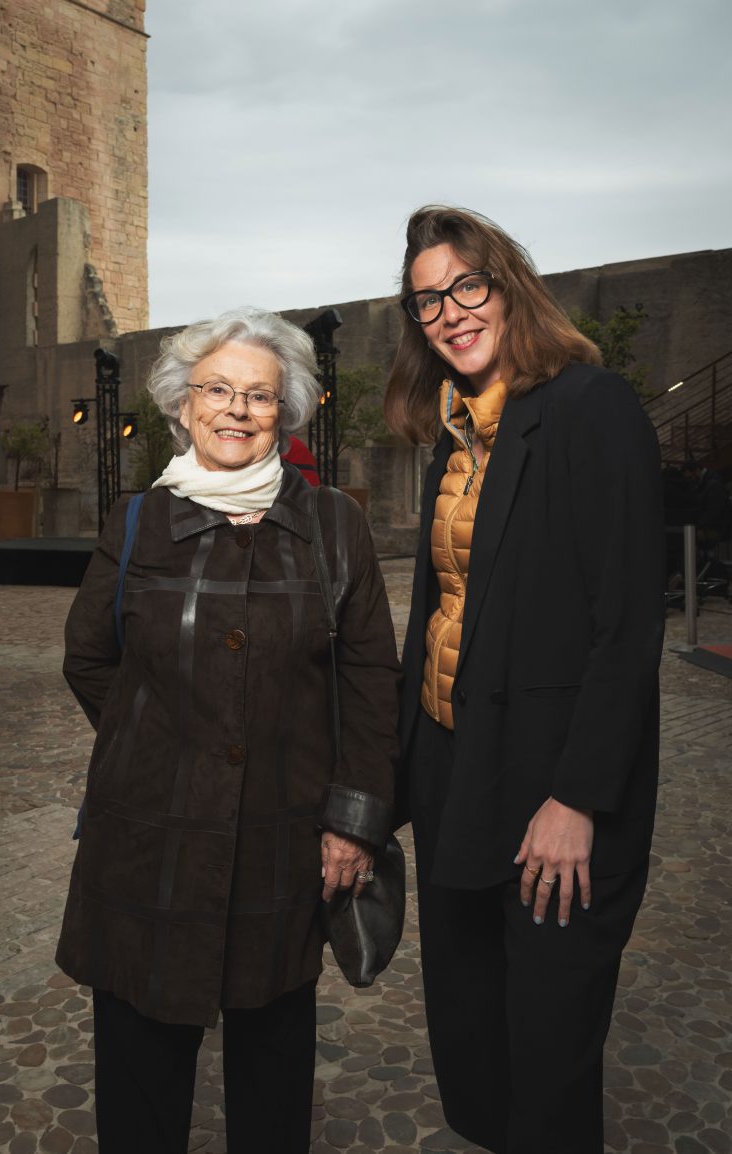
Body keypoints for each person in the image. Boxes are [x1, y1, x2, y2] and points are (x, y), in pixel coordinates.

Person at [56, 308, 400, 1154]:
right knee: (141, 1073)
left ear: (285, 414)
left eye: (259, 395)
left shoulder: (334, 528)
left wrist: (352, 823)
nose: (237, 410)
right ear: (183, 404)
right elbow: (89, 659)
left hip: (283, 839)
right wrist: (171, 744)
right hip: (147, 839)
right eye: (218, 389)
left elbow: (368, 683)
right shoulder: (139, 521)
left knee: (274, 1071)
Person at [385, 206, 664, 1154]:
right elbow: (437, 611)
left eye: (468, 285)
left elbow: (626, 626)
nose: (450, 313)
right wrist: (388, 791)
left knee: (546, 1060)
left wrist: (578, 798)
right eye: (428, 300)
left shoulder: (591, 407)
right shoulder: (453, 435)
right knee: (473, 1042)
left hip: (549, 791)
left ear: (508, 285)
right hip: (456, 773)